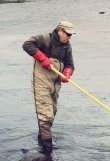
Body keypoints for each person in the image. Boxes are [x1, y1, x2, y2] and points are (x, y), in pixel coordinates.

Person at [22, 21, 76, 153]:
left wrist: (67, 74)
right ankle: (47, 150)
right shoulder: (45, 39)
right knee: (45, 116)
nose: (69, 37)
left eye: (71, 35)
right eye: (68, 34)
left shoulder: (67, 47)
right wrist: (43, 59)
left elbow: (70, 64)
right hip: (41, 82)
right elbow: (27, 45)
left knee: (52, 113)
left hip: (55, 85)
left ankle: (41, 142)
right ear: (60, 31)